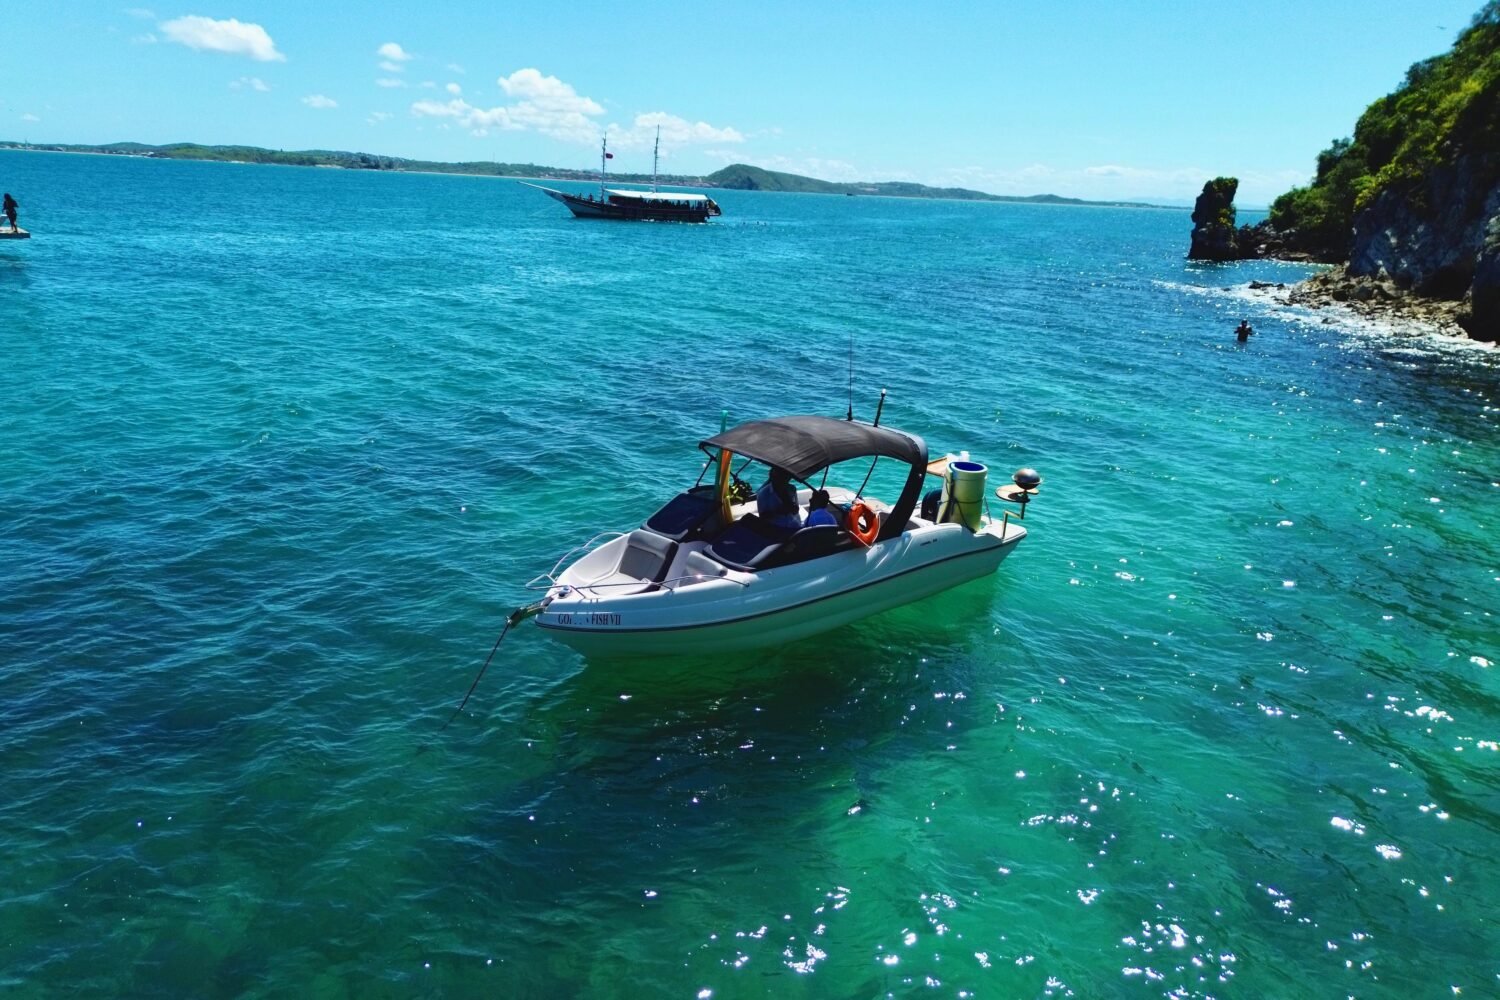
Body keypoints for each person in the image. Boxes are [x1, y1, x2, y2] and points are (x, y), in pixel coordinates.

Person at [756, 466, 803, 534]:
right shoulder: (763, 493)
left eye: (787, 478)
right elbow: (763, 517)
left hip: (795, 525)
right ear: (773, 477)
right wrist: (778, 512)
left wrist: (794, 508)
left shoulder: (792, 488)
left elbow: (796, 510)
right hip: (776, 529)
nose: (785, 480)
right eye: (781, 478)